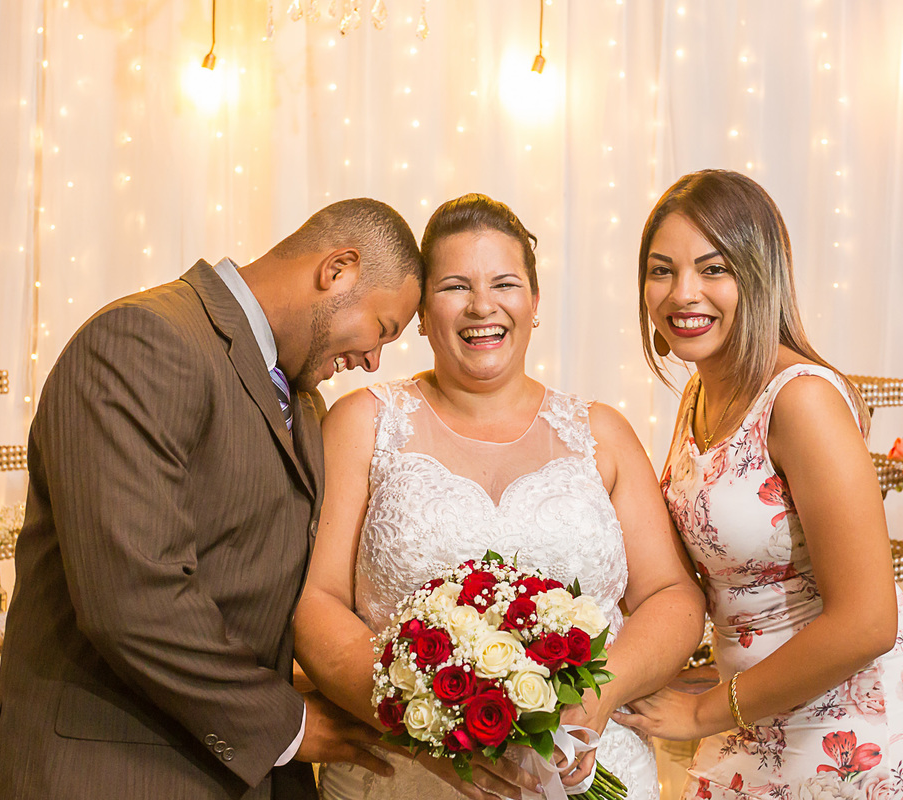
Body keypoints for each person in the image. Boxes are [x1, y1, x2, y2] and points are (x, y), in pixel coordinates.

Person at [0, 199, 424, 800]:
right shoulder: (144, 338)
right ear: (338, 269)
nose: (373, 360)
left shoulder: (304, 399)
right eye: (382, 329)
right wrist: (287, 725)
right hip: (113, 772)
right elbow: (132, 598)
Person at [293, 193, 706, 800]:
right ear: (422, 311)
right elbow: (317, 601)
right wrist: (421, 724)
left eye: (505, 284)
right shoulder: (363, 423)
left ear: (534, 303)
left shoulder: (602, 433)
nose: (482, 306)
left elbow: (672, 595)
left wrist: (602, 691)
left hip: (585, 765)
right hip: (403, 776)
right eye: (455, 286)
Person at [614, 171, 903, 799]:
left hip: (853, 728)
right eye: (662, 271)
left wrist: (701, 712)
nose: (682, 293)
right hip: (754, 715)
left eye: (713, 269)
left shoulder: (802, 401)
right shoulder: (699, 393)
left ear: (758, 274)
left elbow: (868, 622)